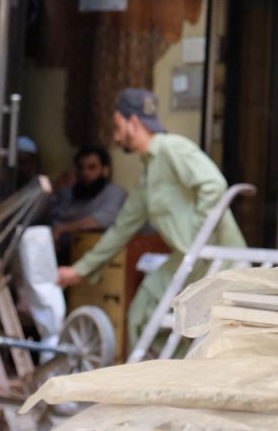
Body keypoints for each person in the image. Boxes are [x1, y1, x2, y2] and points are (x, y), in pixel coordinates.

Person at [55, 88, 244, 346]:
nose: (116, 136)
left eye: (118, 126)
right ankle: (167, 370)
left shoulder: (172, 148)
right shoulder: (148, 175)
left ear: (133, 123)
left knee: (201, 332)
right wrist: (79, 270)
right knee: (142, 315)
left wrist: (198, 235)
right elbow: (121, 229)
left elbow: (214, 185)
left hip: (218, 260)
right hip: (188, 260)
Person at [47, 145, 128, 261]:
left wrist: (63, 228)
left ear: (105, 171)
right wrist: (54, 191)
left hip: (102, 258)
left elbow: (102, 220)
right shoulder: (68, 193)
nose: (85, 173)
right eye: (81, 168)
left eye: (92, 168)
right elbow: (52, 218)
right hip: (65, 255)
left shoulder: (115, 193)